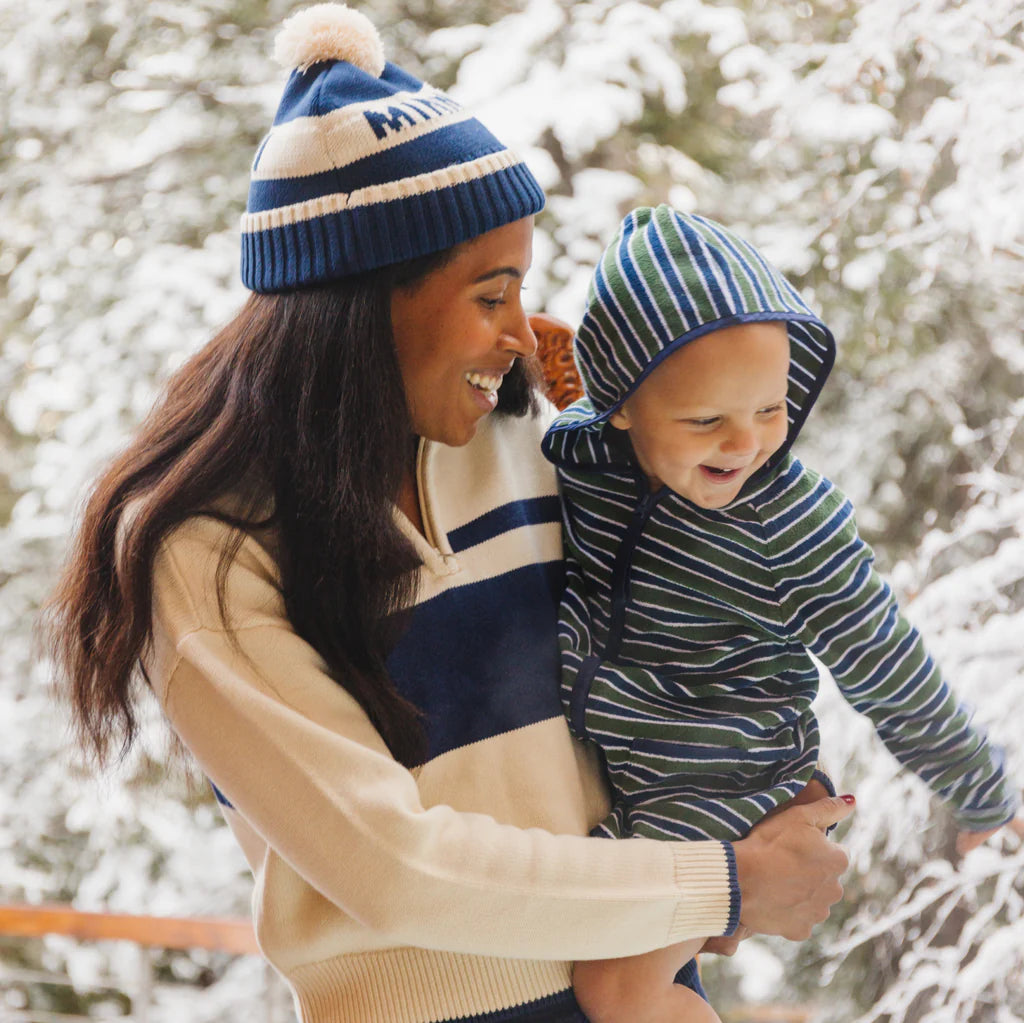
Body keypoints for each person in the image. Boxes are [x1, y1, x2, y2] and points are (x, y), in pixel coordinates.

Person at [44, 9, 854, 1023]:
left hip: (634, 991)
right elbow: (390, 865)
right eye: (490, 295)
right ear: (361, 302)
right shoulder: (209, 553)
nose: (519, 333)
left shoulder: (529, 441)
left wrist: (757, 789)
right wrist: (720, 883)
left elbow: (681, 626)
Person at [540, 204, 1021, 1023]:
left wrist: (981, 789)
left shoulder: (785, 523)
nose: (746, 443)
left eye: (771, 409)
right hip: (639, 764)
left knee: (616, 988)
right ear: (621, 404)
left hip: (726, 775)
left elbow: (889, 664)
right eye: (707, 420)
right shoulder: (582, 459)